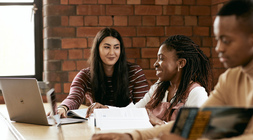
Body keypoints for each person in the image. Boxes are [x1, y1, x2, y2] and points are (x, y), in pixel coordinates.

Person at [91, 0, 253, 140]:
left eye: (226, 40)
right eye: (218, 40)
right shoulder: (231, 78)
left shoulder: (198, 91)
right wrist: (132, 136)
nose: (218, 48)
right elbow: (194, 123)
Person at [57, 27, 149, 118]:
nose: (112, 52)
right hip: (99, 124)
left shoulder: (135, 72)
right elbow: (74, 97)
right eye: (107, 47)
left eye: (116, 47)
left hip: (127, 123)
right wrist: (63, 108)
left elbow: (143, 108)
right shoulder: (85, 75)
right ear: (97, 49)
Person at [132, 35, 212, 126]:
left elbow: (194, 132)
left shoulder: (196, 92)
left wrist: (160, 123)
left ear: (181, 63)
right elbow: (135, 112)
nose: (155, 64)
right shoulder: (157, 88)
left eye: (161, 58)